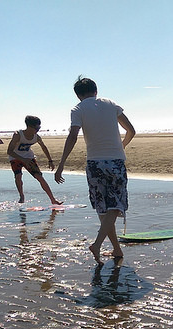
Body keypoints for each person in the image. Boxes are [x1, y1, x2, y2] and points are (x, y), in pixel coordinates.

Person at [55, 77, 136, 265]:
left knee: (102, 206)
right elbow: (131, 130)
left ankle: (115, 249)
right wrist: (120, 147)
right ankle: (101, 245)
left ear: (78, 95)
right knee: (116, 205)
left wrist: (61, 164)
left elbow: (73, 136)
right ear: (96, 91)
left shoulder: (78, 109)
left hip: (94, 164)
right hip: (115, 162)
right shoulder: (111, 104)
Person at [7, 115, 61, 205]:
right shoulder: (18, 135)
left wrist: (50, 161)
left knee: (39, 177)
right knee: (18, 176)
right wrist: (22, 159)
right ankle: (21, 196)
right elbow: (9, 151)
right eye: (37, 128)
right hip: (15, 158)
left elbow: (44, 147)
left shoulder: (36, 137)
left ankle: (53, 200)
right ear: (29, 126)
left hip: (29, 157)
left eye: (39, 128)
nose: (38, 130)